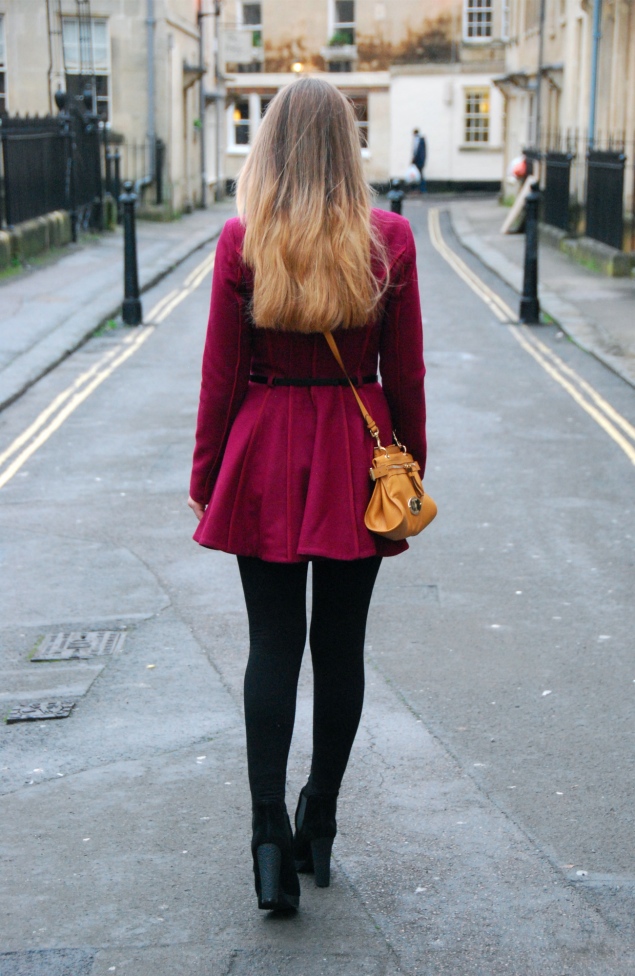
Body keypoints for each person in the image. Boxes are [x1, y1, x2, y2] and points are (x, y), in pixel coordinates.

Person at [188, 77, 426, 913]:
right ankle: (316, 819)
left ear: (272, 146)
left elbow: (220, 376)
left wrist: (205, 478)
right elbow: (405, 376)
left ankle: (265, 844)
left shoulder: (242, 239)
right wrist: (411, 470)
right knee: (341, 651)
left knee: (271, 647)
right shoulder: (388, 237)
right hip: (357, 458)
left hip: (261, 452)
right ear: (347, 146)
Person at [412, 128, 427, 192]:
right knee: (417, 175)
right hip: (417, 160)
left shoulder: (420, 140)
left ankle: (422, 189)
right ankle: (419, 189)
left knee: (420, 175)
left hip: (419, 161)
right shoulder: (418, 140)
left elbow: (420, 152)